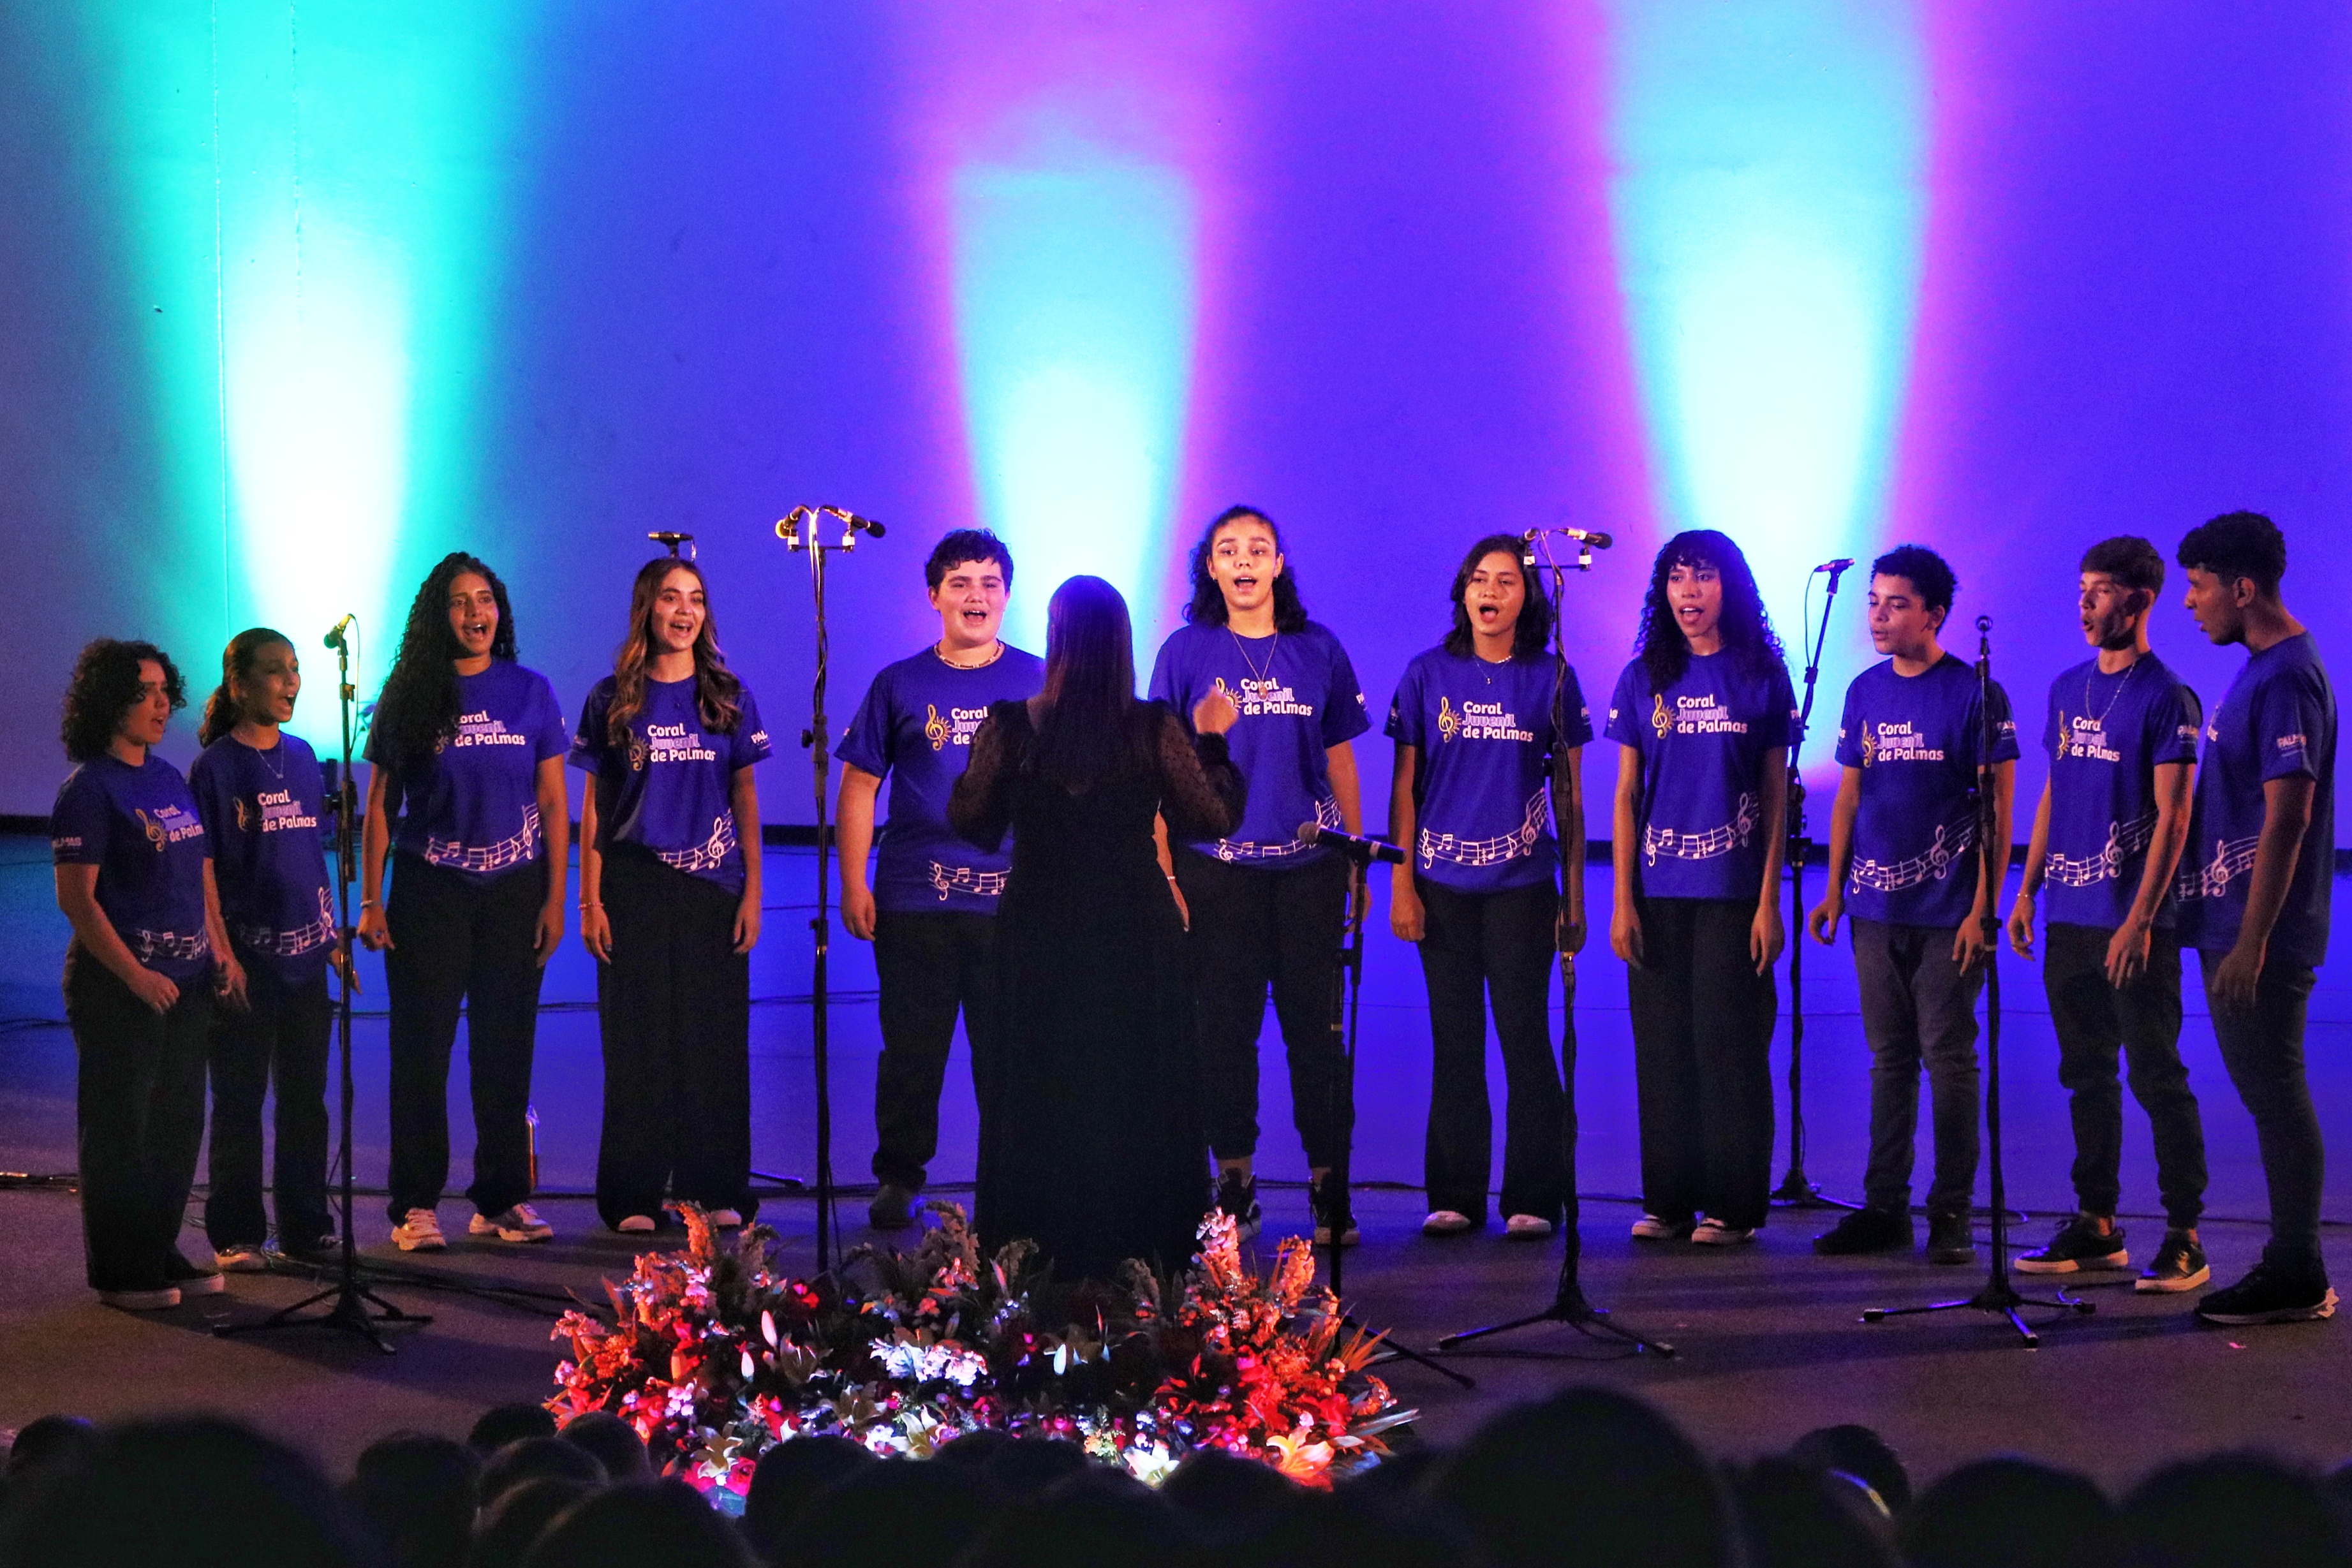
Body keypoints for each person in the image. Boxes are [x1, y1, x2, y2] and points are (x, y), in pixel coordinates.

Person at [949, 575, 1245, 1278]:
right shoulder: (1153, 728)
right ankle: (1144, 1251)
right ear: (1122, 643)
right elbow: (1213, 819)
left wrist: (979, 768)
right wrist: (1212, 742)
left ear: (1055, 638)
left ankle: (1035, 1248)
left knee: (1039, 1086)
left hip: (1039, 932)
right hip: (1133, 934)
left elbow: (973, 825)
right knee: (1137, 1087)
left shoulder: (1012, 725)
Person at [1149, 505, 1371, 1242]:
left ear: (1279, 564)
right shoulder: (1185, 651)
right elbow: (1164, 763)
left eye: (1258, 549)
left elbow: (1340, 758)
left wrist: (1354, 856)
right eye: (1228, 550)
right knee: (1226, 1036)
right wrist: (1164, 867)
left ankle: (1328, 1187)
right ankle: (1235, 1184)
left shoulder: (1318, 650)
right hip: (1217, 874)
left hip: (1308, 870)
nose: (1244, 561)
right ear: (1210, 568)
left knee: (1317, 1036)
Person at [2004, 537, 2209, 1291]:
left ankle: (2186, 1232)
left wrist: (2141, 921)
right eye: (2082, 587)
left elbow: (2175, 816)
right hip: (2072, 916)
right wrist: (2028, 889)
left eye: (2100, 590)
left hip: (2134, 923)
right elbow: (2056, 791)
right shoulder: (2066, 689)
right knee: (2085, 1072)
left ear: (2140, 599)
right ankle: (2098, 1224)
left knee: (2156, 1073)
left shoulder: (2167, 696)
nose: (2085, 603)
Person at [1808, 544, 2015, 1266]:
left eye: (1897, 604)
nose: (1879, 615)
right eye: (1873, 601)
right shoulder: (1864, 691)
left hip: (1947, 911)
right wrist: (1834, 888)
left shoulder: (1974, 693)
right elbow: (1851, 796)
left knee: (1948, 1059)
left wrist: (1982, 906)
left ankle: (1952, 1211)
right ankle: (1884, 1207)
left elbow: (1997, 810)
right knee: (1888, 1059)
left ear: (1935, 613)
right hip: (1874, 908)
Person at [359, 552, 570, 1252]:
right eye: (460, 602)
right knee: (422, 1048)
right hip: (431, 889)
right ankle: (415, 1206)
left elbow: (552, 800)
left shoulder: (531, 691)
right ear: (437, 616)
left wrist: (555, 900)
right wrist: (372, 899)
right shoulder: (410, 695)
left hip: (514, 889)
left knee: (505, 1048)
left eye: (486, 600)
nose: (476, 614)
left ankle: (501, 1199)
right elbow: (382, 806)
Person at [837, 529, 1044, 1230]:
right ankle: (899, 1176)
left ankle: (1013, 1181)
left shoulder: (1041, 681)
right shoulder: (899, 683)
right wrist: (854, 883)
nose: (976, 596)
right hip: (914, 899)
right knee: (912, 1051)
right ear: (933, 597)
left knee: (1009, 1055)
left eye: (989, 583)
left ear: (1008, 596)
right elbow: (861, 784)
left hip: (1012, 907)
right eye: (959, 583)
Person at [1387, 534, 1587, 1239]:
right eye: (1479, 578)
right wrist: (1401, 884)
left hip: (1523, 886)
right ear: (1462, 590)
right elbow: (1404, 788)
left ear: (1527, 595)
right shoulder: (1425, 673)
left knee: (1525, 1035)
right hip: (1441, 885)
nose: (1491, 592)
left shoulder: (1552, 678)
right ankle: (1457, 1194)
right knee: (1456, 1039)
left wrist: (1577, 897)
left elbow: (1569, 793)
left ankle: (1533, 1194)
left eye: (1506, 580)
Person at [1605, 531, 1793, 1246]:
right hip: (1657, 892)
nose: (1688, 592)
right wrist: (1622, 901)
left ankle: (1734, 1205)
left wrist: (1769, 900)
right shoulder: (1644, 675)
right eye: (1677, 579)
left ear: (1730, 588)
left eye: (1703, 578)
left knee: (1730, 1049)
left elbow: (1776, 795)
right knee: (1662, 1050)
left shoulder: (1760, 674)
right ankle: (1670, 1200)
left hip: (1733, 892)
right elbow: (1625, 795)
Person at [572, 557, 770, 1234]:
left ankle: (711, 1188)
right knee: (637, 1043)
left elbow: (745, 793)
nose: (684, 611)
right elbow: (594, 805)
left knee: (714, 1044)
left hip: (714, 889)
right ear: (646, 610)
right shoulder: (611, 699)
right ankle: (632, 1194)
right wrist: (589, 900)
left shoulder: (729, 696)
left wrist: (753, 892)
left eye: (696, 599)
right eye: (669, 598)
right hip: (634, 884)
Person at [2173, 510, 2337, 1326]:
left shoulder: (2283, 677)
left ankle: (2297, 1269)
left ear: (2242, 587)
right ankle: (2294, 1262)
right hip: (2230, 921)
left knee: (2275, 1090)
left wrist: (2252, 940)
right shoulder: (2264, 669)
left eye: (2199, 586)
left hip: (2257, 932)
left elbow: (2288, 817)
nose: (2192, 603)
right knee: (2269, 1088)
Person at [50, 639, 235, 1311]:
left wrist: (213, 949)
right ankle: (122, 1268)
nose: (162, 703)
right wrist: (135, 977)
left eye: (166, 690)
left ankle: (158, 1245)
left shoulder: (166, 777)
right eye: (145, 691)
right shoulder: (89, 789)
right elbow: (78, 900)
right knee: (119, 1129)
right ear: (110, 702)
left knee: (177, 1123)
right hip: (120, 987)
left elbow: (197, 875)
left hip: (184, 982)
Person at [188, 629, 338, 1270]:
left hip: (307, 963)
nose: (291, 683)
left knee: (306, 1100)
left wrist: (332, 939)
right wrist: (222, 956)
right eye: (276, 672)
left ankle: (306, 1223)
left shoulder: (304, 757)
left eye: (296, 670)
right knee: (241, 1100)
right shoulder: (215, 767)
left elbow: (313, 859)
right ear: (241, 685)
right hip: (249, 960)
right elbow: (204, 875)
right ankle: (237, 1232)